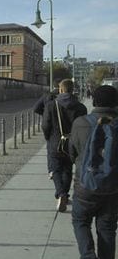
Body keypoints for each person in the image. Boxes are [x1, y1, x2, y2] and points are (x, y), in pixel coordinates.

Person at [69, 85, 118, 259]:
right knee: (107, 229)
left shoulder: (80, 123)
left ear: (94, 102)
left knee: (80, 221)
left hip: (85, 185)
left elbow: (72, 152)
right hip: (113, 188)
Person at [42, 79, 87, 211]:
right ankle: (65, 195)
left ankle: (61, 193)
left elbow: (45, 125)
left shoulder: (51, 105)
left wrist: (48, 138)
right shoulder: (80, 107)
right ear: (72, 90)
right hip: (72, 142)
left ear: (60, 90)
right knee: (67, 169)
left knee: (55, 169)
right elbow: (83, 127)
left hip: (55, 141)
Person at [33, 86, 59, 179]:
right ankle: (60, 170)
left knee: (50, 149)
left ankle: (51, 170)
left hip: (49, 125)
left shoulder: (46, 96)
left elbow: (36, 108)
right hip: (62, 125)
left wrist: (44, 114)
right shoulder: (62, 96)